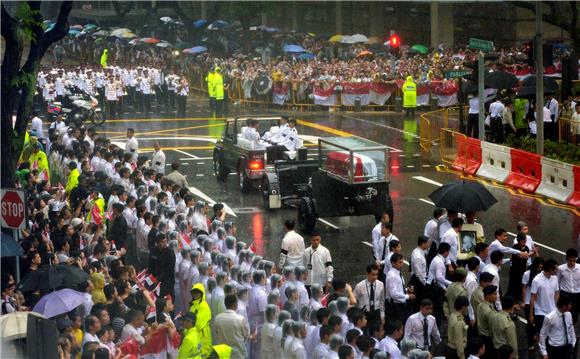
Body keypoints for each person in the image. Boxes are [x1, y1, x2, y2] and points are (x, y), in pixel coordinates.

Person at [213, 294, 251, 359]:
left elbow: (216, 333)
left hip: (223, 353)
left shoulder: (217, 318)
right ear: (235, 304)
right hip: (237, 354)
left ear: (225, 304)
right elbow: (246, 336)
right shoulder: (240, 319)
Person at [538, 295, 576, 359]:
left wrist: (573, 343)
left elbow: (571, 329)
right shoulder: (549, 318)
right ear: (564, 306)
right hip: (554, 350)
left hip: (567, 348)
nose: (571, 306)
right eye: (569, 305)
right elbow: (542, 335)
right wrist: (544, 353)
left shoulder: (569, 315)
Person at [529, 259, 560, 337]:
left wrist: (558, 309)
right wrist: (531, 314)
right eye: (555, 269)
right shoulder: (536, 280)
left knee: (552, 333)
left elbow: (556, 294)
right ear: (550, 269)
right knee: (542, 334)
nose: (557, 270)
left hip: (553, 311)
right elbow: (532, 297)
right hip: (540, 312)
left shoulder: (555, 278)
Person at [426, 242, 452, 324]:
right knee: (437, 309)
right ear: (446, 252)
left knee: (437, 308)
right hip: (433, 287)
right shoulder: (439, 262)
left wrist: (444, 288)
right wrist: (450, 283)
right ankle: (436, 325)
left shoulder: (437, 259)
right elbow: (439, 277)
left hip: (433, 285)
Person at [385, 253, 414, 323]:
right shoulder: (392, 275)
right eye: (399, 262)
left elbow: (399, 289)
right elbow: (393, 294)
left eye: (402, 262)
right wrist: (408, 296)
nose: (402, 264)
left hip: (400, 304)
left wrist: (407, 289)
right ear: (393, 263)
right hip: (395, 306)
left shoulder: (397, 273)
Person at [189, 283, 212, 358]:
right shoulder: (193, 305)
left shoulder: (203, 306)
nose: (195, 294)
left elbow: (198, 324)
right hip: (195, 336)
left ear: (202, 293)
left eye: (197, 292)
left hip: (203, 338)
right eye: (193, 292)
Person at [558, 248, 580, 324]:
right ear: (567, 259)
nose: (572, 263)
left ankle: (571, 331)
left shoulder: (579, 268)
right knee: (564, 314)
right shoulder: (561, 269)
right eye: (570, 261)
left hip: (577, 295)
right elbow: (557, 282)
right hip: (565, 294)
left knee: (575, 314)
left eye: (574, 260)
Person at [477, 285, 498, 359]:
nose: (497, 296)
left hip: (481, 336)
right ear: (488, 295)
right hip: (488, 339)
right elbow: (493, 329)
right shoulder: (489, 311)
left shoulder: (480, 305)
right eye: (495, 294)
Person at [506, 233, 528, 302]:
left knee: (520, 284)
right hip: (514, 271)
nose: (525, 242)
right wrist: (530, 254)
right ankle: (512, 299)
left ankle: (518, 298)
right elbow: (522, 256)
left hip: (522, 270)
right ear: (519, 241)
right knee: (513, 285)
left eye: (525, 241)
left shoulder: (526, 248)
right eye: (524, 241)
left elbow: (526, 256)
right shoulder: (515, 247)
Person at [409, 235, 430, 308]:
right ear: (423, 244)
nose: (428, 244)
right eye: (427, 243)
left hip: (420, 280)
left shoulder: (419, 251)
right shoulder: (418, 256)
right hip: (419, 282)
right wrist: (425, 284)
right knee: (419, 300)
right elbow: (419, 273)